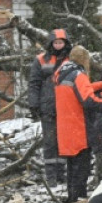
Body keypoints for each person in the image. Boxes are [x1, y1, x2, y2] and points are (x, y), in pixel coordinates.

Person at [53, 46, 102, 203]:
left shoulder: (62, 73)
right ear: (85, 59)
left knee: (72, 167)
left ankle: (72, 198)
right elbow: (88, 100)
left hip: (65, 128)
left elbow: (79, 90)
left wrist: (101, 85)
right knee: (82, 167)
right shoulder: (79, 74)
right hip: (79, 127)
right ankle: (79, 200)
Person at [28, 29, 71, 185]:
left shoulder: (71, 60)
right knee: (50, 141)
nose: (58, 45)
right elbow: (34, 83)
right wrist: (33, 104)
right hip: (48, 107)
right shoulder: (40, 60)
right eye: (56, 42)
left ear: (66, 44)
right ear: (51, 43)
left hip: (66, 108)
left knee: (63, 141)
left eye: (61, 42)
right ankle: (51, 176)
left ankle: (61, 174)